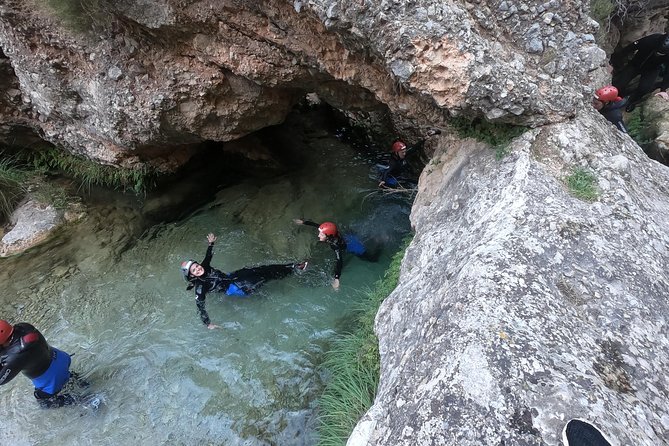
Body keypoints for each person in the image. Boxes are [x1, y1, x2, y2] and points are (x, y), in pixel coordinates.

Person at [181, 233, 307, 329]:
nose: (198, 268)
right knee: (264, 278)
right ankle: (292, 271)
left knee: (261, 269)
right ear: (192, 275)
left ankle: (292, 266)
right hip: (235, 288)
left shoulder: (204, 266)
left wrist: (211, 243)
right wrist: (208, 324)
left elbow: (208, 256)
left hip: (233, 276)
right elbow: (200, 307)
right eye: (194, 270)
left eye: (197, 266)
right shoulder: (200, 287)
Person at [0, 320, 81, 408]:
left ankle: (84, 400)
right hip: (61, 358)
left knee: (44, 403)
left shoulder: (15, 357)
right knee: (66, 377)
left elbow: (1, 379)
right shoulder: (23, 326)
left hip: (52, 376)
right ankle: (81, 382)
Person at [293, 219, 379, 290]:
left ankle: (380, 242)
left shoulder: (335, 244)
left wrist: (337, 278)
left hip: (352, 246)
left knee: (372, 259)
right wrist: (304, 222)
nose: (318, 235)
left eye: (321, 234)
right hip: (347, 236)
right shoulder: (331, 232)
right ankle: (373, 238)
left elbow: (339, 260)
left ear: (328, 236)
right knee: (363, 238)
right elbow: (317, 225)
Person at [611, 33, 669, 112]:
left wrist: (663, 89)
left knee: (644, 88)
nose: (657, 54)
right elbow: (631, 47)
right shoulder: (651, 40)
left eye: (660, 53)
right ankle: (616, 96)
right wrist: (614, 61)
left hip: (652, 69)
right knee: (619, 83)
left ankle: (631, 102)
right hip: (635, 64)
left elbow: (667, 72)